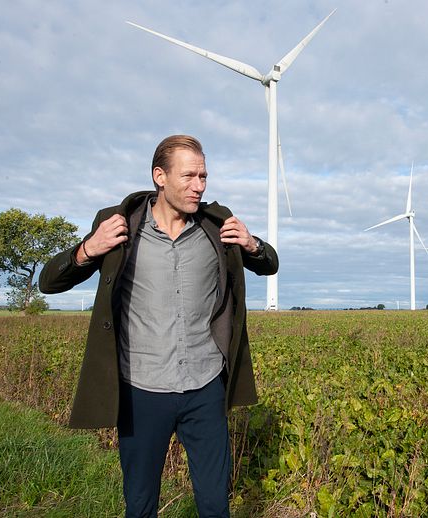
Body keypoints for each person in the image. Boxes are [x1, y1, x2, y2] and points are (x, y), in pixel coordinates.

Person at [39, 134, 278, 517]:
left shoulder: (217, 227)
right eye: (189, 176)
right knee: (140, 504)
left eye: (203, 176)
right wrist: (87, 250)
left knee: (216, 505)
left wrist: (253, 245)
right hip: (140, 391)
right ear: (159, 176)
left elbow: (271, 264)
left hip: (205, 389)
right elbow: (48, 282)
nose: (199, 186)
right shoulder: (118, 226)